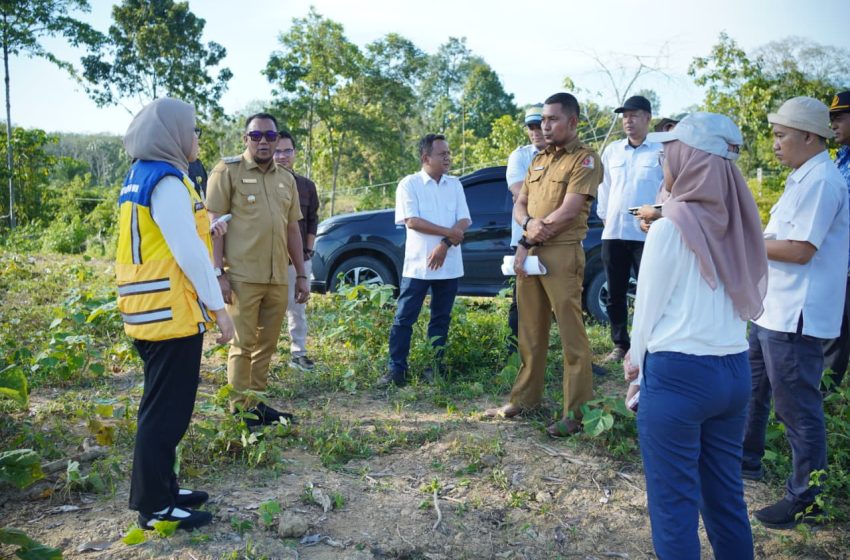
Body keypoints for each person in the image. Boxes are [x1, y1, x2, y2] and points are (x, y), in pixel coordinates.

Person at [623, 112, 766, 559]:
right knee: (726, 500)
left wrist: (636, 370)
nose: (664, 159)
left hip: (680, 376)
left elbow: (645, 316)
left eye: (670, 151)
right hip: (734, 372)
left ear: (689, 160)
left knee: (673, 507)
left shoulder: (668, 229)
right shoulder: (739, 222)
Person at [117, 98, 235, 530]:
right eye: (193, 130)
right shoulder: (167, 180)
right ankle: (155, 506)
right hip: (167, 315)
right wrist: (221, 311)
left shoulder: (142, 175)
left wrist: (209, 224)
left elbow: (173, 239)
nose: (197, 137)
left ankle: (164, 487)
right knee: (165, 412)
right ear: (171, 135)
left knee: (163, 408)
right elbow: (187, 254)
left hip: (152, 311)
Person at [742, 96, 849, 529]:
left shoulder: (823, 181)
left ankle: (806, 498)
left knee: (797, 407)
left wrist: (742, 243)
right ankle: (745, 460)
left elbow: (802, 250)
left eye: (781, 135)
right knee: (753, 389)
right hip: (774, 307)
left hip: (796, 314)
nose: (775, 143)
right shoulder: (802, 177)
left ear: (809, 136)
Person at [485, 92, 602, 437]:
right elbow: (520, 202)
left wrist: (529, 236)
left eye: (552, 119)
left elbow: (568, 211)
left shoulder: (585, 160)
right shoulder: (537, 161)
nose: (545, 126)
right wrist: (525, 230)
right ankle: (525, 399)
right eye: (542, 120)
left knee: (571, 336)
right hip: (530, 251)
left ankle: (576, 414)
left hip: (561, 251)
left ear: (573, 122)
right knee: (530, 330)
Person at [206, 113, 310, 426]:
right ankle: (240, 411)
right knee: (242, 343)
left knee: (266, 345)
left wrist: (301, 274)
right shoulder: (228, 171)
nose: (263, 141)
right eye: (256, 136)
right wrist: (218, 274)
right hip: (241, 277)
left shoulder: (286, 179)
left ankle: (258, 404)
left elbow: (293, 229)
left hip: (277, 277)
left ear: (278, 139)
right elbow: (214, 224)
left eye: (269, 136)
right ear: (245, 139)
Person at [377, 134, 471, 387]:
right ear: (425, 157)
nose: (448, 158)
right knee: (404, 317)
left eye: (448, 153)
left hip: (449, 264)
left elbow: (464, 221)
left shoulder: (455, 185)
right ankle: (396, 370)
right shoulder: (409, 184)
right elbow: (412, 221)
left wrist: (445, 244)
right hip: (419, 265)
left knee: (441, 319)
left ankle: (435, 367)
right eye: (442, 154)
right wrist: (449, 233)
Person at [596, 95, 664, 363]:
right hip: (614, 232)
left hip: (648, 233)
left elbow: (668, 188)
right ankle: (620, 345)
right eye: (625, 116)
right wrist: (605, 218)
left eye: (634, 115)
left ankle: (647, 344)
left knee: (650, 290)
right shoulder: (612, 150)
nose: (628, 120)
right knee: (615, 292)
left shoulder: (661, 149)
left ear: (648, 117)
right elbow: (604, 187)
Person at [274, 132, 320, 371]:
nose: (282, 156)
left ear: (294, 153)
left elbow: (312, 219)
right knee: (264, 309)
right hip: (267, 259)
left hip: (298, 260)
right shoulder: (262, 184)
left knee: (297, 309)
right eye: (277, 151)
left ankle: (298, 354)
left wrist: (308, 250)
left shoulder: (306, 186)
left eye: (287, 151)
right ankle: (257, 356)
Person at [505, 104, 547, 355]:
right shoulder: (520, 156)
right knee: (520, 300)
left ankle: (573, 358)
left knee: (565, 300)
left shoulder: (566, 155)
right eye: (530, 127)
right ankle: (514, 355)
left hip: (558, 235)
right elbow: (519, 193)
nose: (535, 131)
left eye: (539, 124)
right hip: (524, 237)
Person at [822, 90, 850, 391]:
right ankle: (825, 400)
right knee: (833, 340)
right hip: (839, 264)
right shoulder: (838, 160)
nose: (833, 124)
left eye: (840, 117)